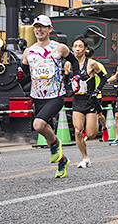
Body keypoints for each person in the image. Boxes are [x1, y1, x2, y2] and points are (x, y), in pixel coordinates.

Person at [19, 15, 82, 178]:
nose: (39, 29)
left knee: (38, 125)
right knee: (46, 132)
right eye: (36, 26)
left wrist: (75, 78)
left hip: (55, 95)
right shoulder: (28, 52)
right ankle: (62, 161)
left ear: (50, 29)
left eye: (43, 27)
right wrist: (18, 76)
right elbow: (25, 76)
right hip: (37, 97)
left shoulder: (59, 48)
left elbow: (74, 62)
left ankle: (56, 146)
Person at [64, 36, 106, 169]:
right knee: (77, 131)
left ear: (85, 49)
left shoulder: (92, 64)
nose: (77, 49)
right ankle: (85, 158)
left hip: (90, 101)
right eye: (75, 46)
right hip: (77, 101)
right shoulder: (68, 64)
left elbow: (103, 78)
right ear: (72, 48)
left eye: (80, 46)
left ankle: (100, 126)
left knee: (91, 134)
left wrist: (96, 91)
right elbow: (65, 80)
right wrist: (68, 89)